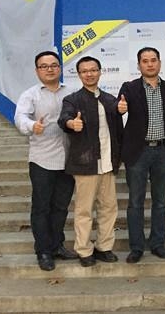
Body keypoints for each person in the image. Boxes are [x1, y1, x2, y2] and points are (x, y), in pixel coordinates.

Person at [58, 56, 125, 267]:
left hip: (108, 163)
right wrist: (71, 123)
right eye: (84, 71)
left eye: (93, 70)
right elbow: (64, 118)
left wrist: (121, 110)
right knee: (84, 210)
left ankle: (104, 247)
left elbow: (119, 128)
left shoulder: (109, 99)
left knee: (109, 208)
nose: (89, 74)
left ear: (100, 72)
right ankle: (84, 249)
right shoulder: (72, 100)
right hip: (85, 164)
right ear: (79, 75)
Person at [14, 51, 78, 271]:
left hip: (68, 159)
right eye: (44, 66)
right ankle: (43, 251)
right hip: (42, 159)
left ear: (60, 68)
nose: (49, 69)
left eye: (54, 65)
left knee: (61, 207)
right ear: (37, 71)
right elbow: (20, 117)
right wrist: (33, 126)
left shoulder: (71, 92)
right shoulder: (30, 95)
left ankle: (57, 245)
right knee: (42, 207)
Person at [118, 47, 165, 263]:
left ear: (159, 63)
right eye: (145, 61)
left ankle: (157, 244)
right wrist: (120, 108)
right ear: (139, 65)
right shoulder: (129, 87)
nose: (150, 64)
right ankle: (136, 247)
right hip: (138, 152)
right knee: (135, 202)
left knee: (161, 202)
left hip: (163, 151)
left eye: (153, 60)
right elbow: (119, 107)